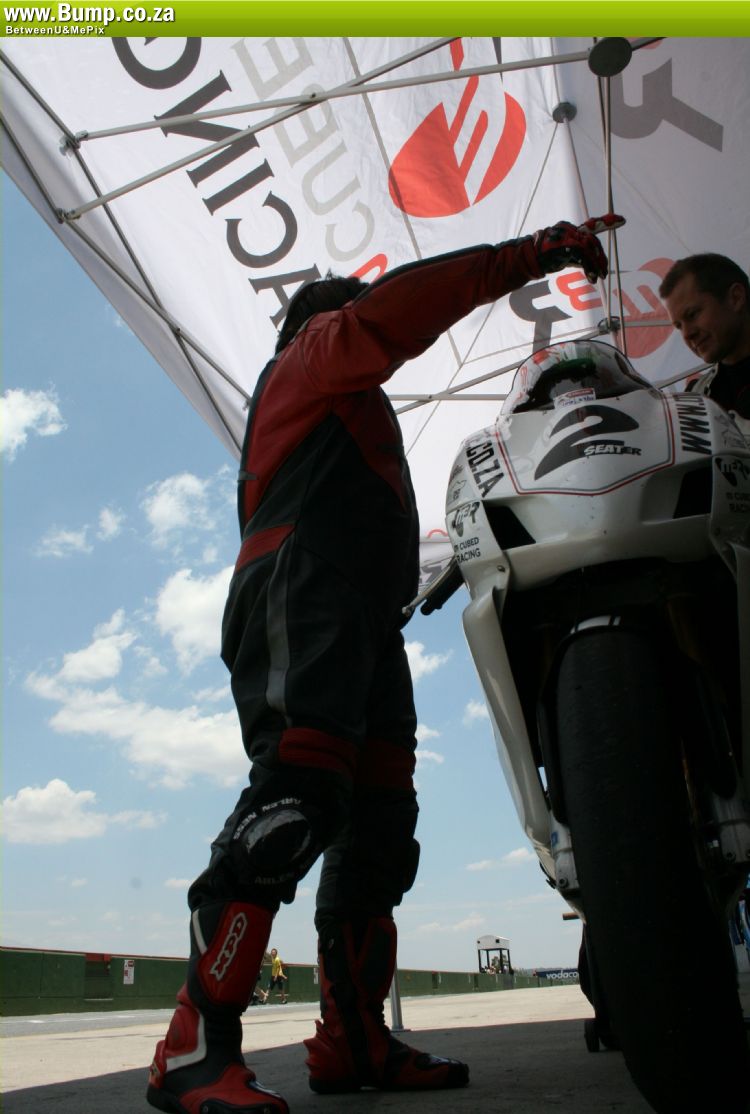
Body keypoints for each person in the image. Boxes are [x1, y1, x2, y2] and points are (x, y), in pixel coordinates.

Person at [146, 214, 619, 1114]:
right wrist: (522, 258)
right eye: (352, 320)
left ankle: (353, 1041)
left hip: (366, 618)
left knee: (377, 832)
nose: (364, 337)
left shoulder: (347, 407)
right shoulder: (311, 356)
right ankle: (192, 1049)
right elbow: (390, 314)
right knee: (294, 802)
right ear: (326, 322)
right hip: (303, 586)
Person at [659, 253, 750, 428]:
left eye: (692, 314)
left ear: (736, 298)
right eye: (679, 326)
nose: (687, 334)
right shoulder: (696, 399)